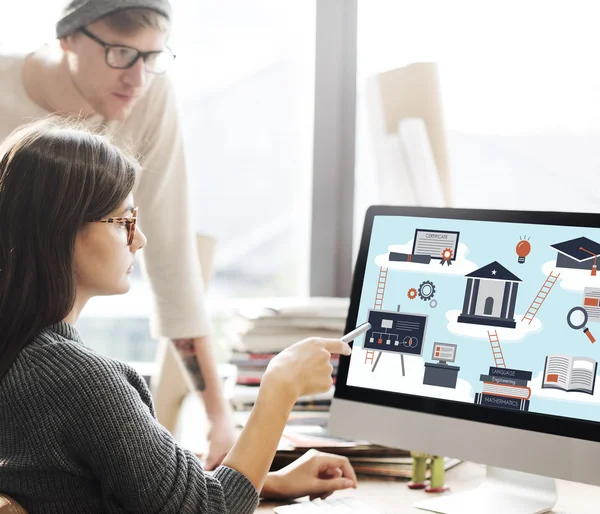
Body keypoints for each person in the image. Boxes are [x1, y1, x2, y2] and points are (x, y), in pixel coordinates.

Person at [0, 118, 357, 513]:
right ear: (61, 231)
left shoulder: (23, 357)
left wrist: (266, 482)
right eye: (124, 222)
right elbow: (208, 510)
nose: (140, 239)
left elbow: (101, 488)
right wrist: (280, 388)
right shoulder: (78, 380)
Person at [0, 0, 236, 468]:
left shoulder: (150, 94)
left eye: (153, 58)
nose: (138, 78)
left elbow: (170, 257)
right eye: (121, 54)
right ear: (67, 37)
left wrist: (218, 417)